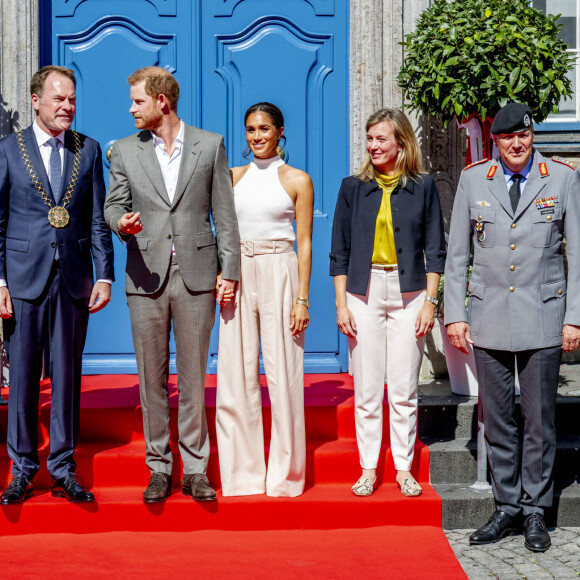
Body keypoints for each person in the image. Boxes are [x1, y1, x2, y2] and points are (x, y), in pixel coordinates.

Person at [444, 102, 580, 552]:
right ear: (496, 141)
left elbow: (576, 255)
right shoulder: (472, 179)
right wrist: (456, 314)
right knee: (497, 419)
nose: (516, 145)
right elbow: (458, 255)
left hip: (544, 314)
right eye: (507, 139)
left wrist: (574, 317)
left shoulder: (561, 178)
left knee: (540, 419)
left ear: (530, 136)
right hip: (488, 316)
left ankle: (537, 509)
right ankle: (507, 507)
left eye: (523, 136)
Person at [104, 67, 240, 503]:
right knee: (152, 378)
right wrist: (120, 222)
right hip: (144, 275)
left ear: (162, 100)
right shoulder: (124, 151)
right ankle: (159, 467)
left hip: (197, 275)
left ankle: (195, 469)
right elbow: (113, 204)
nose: (130, 108)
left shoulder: (210, 145)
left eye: (137, 101)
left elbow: (225, 213)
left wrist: (230, 271)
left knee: (194, 378)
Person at [0, 65, 115, 504]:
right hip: (24, 281)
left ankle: (63, 468)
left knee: (67, 377)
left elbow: (96, 218)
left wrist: (103, 273)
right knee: (25, 379)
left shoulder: (88, 150)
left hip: (73, 281)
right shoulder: (9, 150)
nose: (66, 107)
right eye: (58, 100)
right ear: (35, 100)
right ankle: (23, 468)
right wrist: (0, 282)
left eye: (71, 100)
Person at [329, 109, 446, 497]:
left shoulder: (423, 186)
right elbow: (339, 251)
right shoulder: (352, 187)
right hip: (362, 293)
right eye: (369, 139)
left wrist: (431, 302)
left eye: (381, 139)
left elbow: (435, 248)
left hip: (410, 293)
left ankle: (403, 469)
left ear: (401, 143)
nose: (372, 146)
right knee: (365, 389)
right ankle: (366, 469)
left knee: (403, 388)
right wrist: (341, 304)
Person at [216, 102, 313, 497]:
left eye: (264, 129)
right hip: (238, 271)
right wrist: (223, 274)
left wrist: (302, 299)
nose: (257, 136)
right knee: (235, 372)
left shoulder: (296, 179)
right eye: (251, 130)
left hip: (280, 268)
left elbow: (305, 242)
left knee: (284, 371)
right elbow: (220, 232)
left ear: (280, 131)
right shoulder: (232, 177)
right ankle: (242, 474)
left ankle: (286, 476)